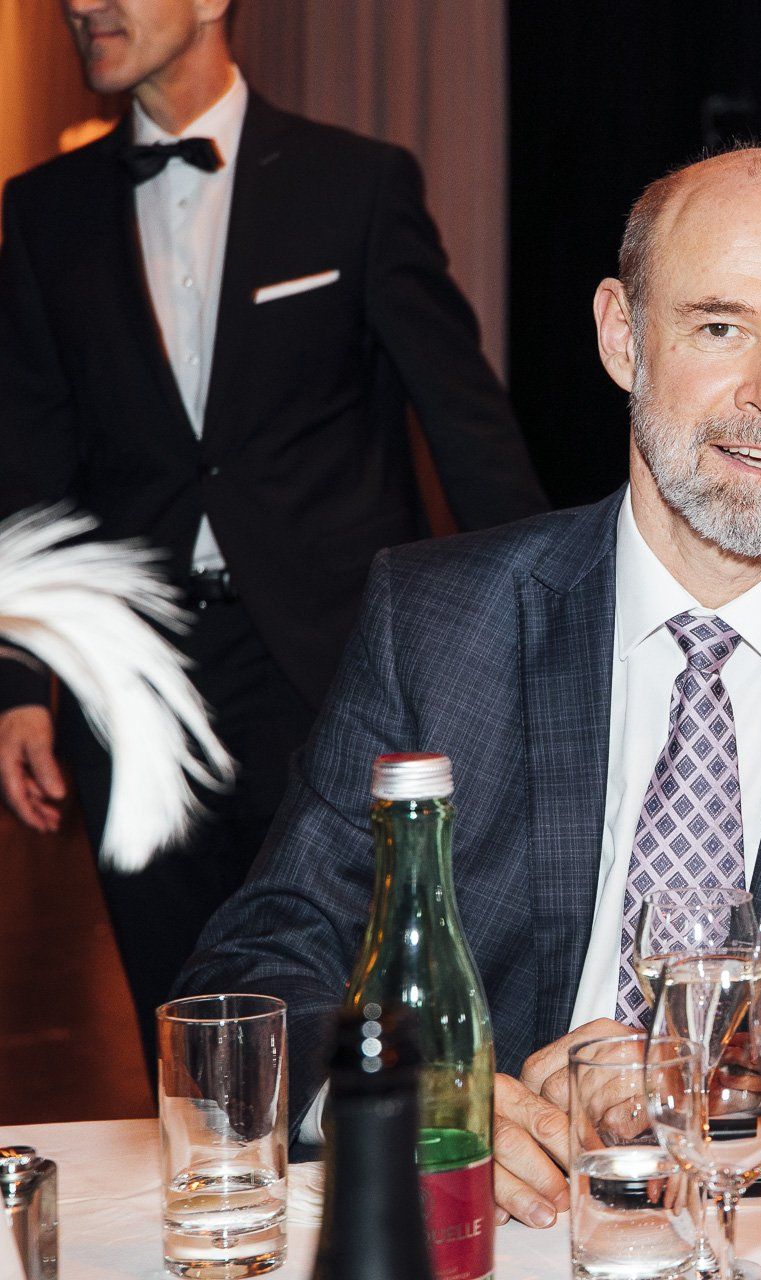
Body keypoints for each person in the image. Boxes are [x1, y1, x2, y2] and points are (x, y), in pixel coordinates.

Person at [179, 145, 761, 1226]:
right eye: (721, 328)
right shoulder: (440, 624)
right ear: (622, 336)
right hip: (502, 1227)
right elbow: (253, 976)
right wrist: (412, 1103)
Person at [0, 0, 549, 1060]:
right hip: (134, 685)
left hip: (331, 674)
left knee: (360, 1022)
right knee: (185, 1031)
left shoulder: (355, 183)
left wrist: (541, 627)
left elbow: (465, 422)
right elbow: (27, 465)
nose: (83, 4)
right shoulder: (43, 211)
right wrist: (19, 682)